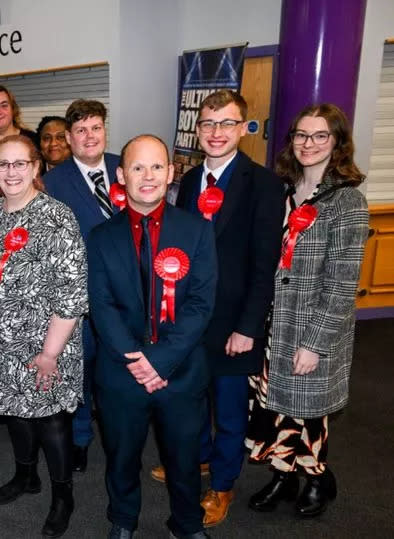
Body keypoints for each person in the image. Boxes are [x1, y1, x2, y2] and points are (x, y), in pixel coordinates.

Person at [152, 90, 285, 527]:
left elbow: (264, 264)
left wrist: (248, 326)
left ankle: (223, 486)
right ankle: (201, 459)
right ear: (198, 128)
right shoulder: (189, 181)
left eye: (226, 123)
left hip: (233, 326)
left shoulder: (264, 184)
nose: (216, 132)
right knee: (190, 401)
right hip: (190, 321)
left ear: (244, 128)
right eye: (208, 123)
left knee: (228, 413)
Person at [244, 104, 369, 518]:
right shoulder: (281, 190)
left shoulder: (347, 201)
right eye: (301, 135)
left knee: (307, 411)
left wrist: (315, 343)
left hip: (309, 325)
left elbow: (341, 285)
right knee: (273, 406)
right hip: (271, 323)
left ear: (337, 143)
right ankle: (283, 475)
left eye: (319, 136)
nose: (308, 144)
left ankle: (317, 477)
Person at [89, 135, 216, 539]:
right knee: (121, 457)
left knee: (183, 458)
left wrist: (160, 360)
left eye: (157, 167)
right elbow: (101, 305)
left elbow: (200, 303)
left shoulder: (196, 230)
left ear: (171, 173)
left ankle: (187, 523)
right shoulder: (99, 236)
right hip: (121, 373)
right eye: (138, 168)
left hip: (180, 372)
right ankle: (123, 520)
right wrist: (137, 360)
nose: (148, 176)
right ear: (121, 175)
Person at [0, 135, 87, 537]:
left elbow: (72, 293)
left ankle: (62, 494)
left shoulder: (57, 217)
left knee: (51, 420)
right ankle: (26, 476)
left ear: (37, 168)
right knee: (14, 411)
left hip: (44, 342)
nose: (12, 172)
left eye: (21, 164)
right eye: (4, 164)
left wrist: (50, 353)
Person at [44, 99, 121, 472]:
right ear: (70, 138)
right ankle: (80, 437)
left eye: (96, 128)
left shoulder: (128, 166)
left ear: (105, 130)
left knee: (122, 369)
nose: (89, 136)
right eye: (80, 130)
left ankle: (121, 437)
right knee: (81, 370)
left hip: (128, 298)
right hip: (80, 300)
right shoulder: (52, 183)